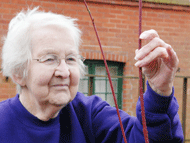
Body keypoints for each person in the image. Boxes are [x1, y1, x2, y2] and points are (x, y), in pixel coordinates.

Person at [0, 7, 183, 143]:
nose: (65, 72)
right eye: (50, 59)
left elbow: (145, 139)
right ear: (18, 72)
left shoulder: (89, 114)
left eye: (71, 59)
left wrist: (159, 91)